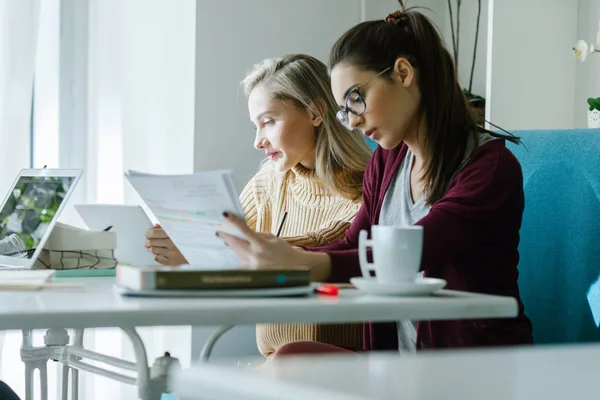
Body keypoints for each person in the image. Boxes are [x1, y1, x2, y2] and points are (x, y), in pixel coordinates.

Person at [217, 3, 534, 354]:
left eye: (356, 99)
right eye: (343, 109)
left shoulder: (489, 167)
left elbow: (412, 252)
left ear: (402, 73)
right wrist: (287, 256)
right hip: (396, 369)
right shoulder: (388, 160)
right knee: (291, 356)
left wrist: (306, 263)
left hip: (471, 371)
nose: (351, 121)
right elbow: (356, 244)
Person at [145, 54, 373, 360]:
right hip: (275, 363)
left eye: (268, 122)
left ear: (315, 112)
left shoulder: (369, 187)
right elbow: (234, 264)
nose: (258, 141)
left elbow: (333, 244)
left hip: (346, 364)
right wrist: (195, 253)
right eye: (256, 125)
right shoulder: (266, 187)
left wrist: (221, 252)